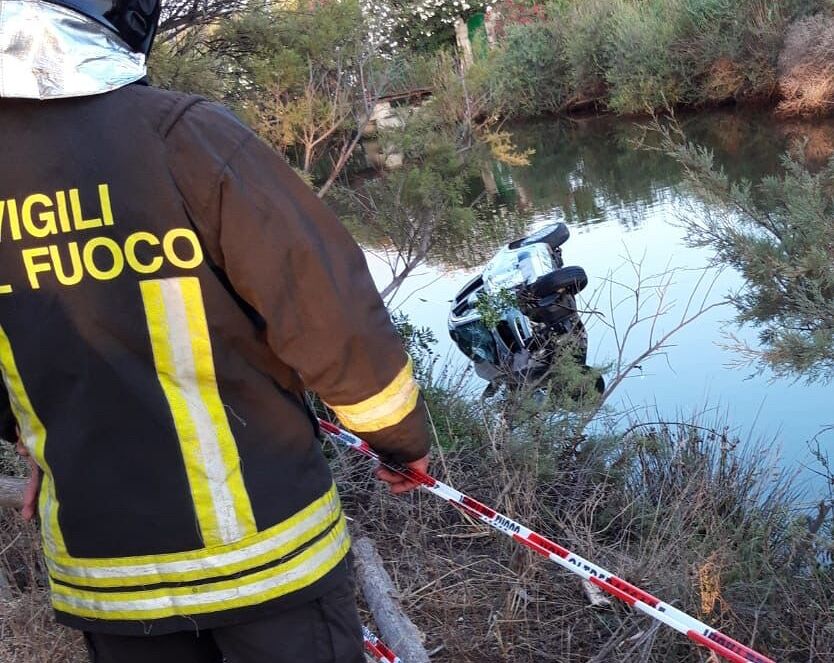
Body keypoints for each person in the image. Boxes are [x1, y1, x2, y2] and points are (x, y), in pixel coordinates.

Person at [0, 2, 431, 661]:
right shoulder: (184, 137)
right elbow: (327, 311)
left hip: (114, 581)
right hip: (266, 556)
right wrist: (400, 441)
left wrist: (33, 440)